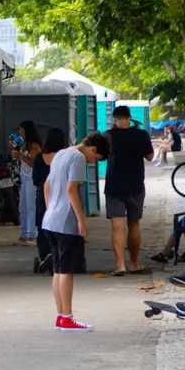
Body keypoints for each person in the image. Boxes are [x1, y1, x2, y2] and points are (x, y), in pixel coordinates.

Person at [42, 132, 110, 332]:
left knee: (58, 270)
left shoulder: (61, 154)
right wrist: (82, 220)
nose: (92, 162)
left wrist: (50, 209)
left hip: (51, 220)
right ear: (93, 149)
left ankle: (60, 316)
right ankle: (68, 317)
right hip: (66, 222)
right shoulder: (79, 158)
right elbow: (71, 190)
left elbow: (47, 186)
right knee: (67, 271)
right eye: (95, 159)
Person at [104, 105, 154, 276]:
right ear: (129, 117)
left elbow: (101, 156)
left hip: (114, 186)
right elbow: (150, 156)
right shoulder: (141, 134)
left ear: (116, 119)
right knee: (134, 224)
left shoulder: (109, 135)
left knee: (117, 227)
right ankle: (134, 263)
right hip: (136, 185)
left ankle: (120, 265)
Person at [33, 128, 67, 273]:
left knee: (42, 225)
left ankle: (44, 255)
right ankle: (59, 255)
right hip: (61, 194)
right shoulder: (65, 157)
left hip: (43, 194)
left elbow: (35, 180)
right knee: (61, 226)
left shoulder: (39, 158)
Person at [10, 120, 43, 245]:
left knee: (30, 207)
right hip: (24, 178)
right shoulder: (25, 144)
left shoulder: (34, 145)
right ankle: (24, 234)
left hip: (31, 178)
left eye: (22, 131)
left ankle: (32, 234)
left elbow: (34, 163)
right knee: (22, 207)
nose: (20, 133)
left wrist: (19, 155)